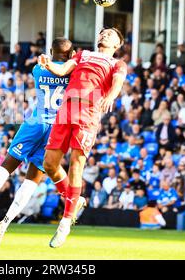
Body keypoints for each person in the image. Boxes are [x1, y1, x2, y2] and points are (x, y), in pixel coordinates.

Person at [0, 38, 76, 245]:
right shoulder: (73, 73)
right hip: (55, 130)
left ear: (51, 52)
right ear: (70, 55)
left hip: (35, 123)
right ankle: (5, 223)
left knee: (7, 165)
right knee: (32, 179)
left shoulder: (38, 69)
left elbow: (48, 67)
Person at [39, 27, 127, 248]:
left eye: (110, 34)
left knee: (76, 165)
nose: (104, 35)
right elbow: (63, 71)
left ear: (117, 44)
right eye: (102, 33)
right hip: (67, 108)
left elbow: (117, 83)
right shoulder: (82, 54)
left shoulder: (117, 64)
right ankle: (74, 200)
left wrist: (110, 96)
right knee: (49, 164)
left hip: (89, 111)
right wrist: (47, 64)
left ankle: (65, 222)